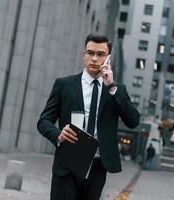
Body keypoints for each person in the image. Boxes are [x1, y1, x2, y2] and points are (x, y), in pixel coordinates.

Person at [37, 33, 140, 200]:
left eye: (100, 54)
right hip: (67, 164)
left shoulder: (116, 90)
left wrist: (112, 87)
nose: (94, 59)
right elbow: (44, 121)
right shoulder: (64, 85)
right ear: (83, 55)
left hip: (98, 167)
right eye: (90, 53)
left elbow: (133, 121)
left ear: (108, 59)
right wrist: (58, 135)